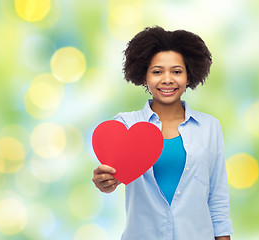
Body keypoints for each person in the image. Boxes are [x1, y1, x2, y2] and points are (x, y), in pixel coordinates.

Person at [92, 26, 233, 239]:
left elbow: (218, 200)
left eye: (177, 71)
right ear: (144, 76)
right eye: (157, 71)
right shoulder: (126, 124)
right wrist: (105, 181)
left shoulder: (209, 127)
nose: (167, 79)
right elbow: (113, 175)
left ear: (189, 75)